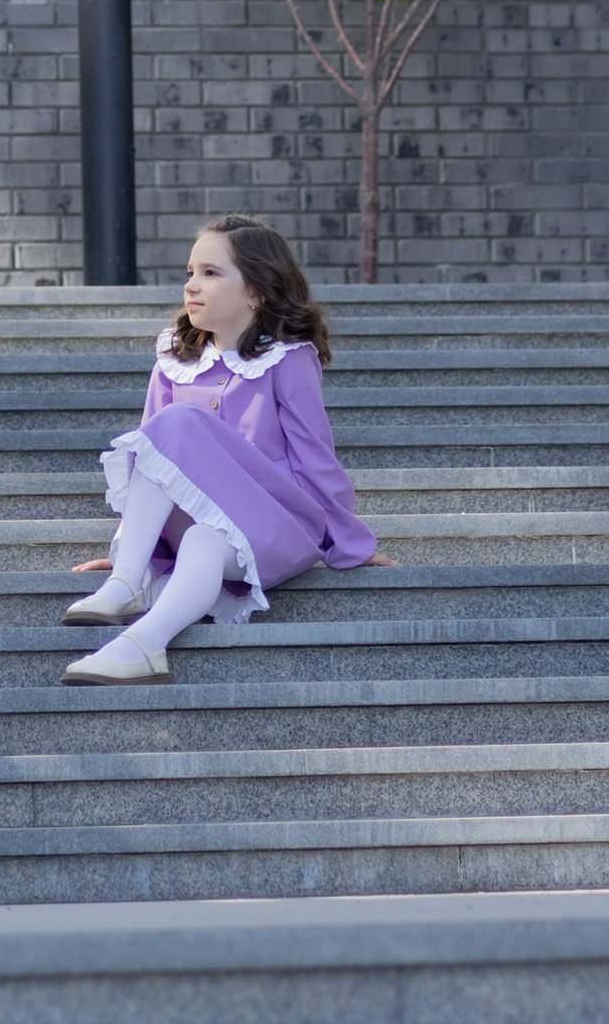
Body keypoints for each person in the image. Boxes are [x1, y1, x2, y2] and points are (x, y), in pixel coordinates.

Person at [62, 213, 378, 685]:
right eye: (189, 273)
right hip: (202, 526)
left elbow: (316, 457)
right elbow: (150, 467)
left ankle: (130, 596)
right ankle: (139, 639)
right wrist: (136, 546)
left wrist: (349, 542)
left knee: (180, 426)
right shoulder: (174, 361)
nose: (192, 285)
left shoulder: (287, 360)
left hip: (273, 522)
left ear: (256, 291)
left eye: (210, 273)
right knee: (200, 530)